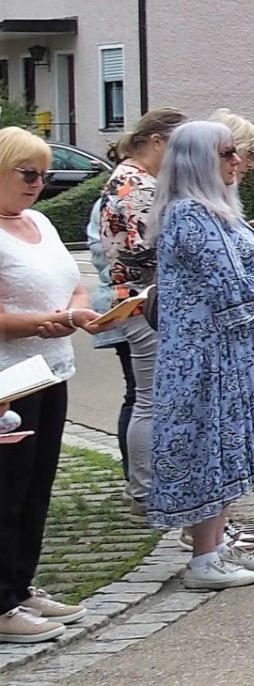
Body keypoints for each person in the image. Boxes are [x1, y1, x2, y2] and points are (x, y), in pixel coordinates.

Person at [145, 120, 254, 586]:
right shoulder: (190, 214)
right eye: (226, 153)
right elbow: (228, 283)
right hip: (203, 358)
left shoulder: (220, 210)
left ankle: (220, 543)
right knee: (208, 448)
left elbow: (252, 265)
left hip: (233, 352)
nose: (236, 162)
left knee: (229, 448)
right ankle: (204, 558)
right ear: (197, 161)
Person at [0, 128, 95, 637]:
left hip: (51, 369)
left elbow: (75, 283)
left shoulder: (37, 220)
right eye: (28, 173)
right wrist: (40, 321)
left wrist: (76, 311)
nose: (38, 184)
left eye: (44, 175)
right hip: (7, 379)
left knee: (37, 487)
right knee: (6, 490)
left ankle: (20, 585)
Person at [92, 109, 184, 514]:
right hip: (142, 301)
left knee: (153, 397)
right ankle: (145, 490)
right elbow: (145, 247)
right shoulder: (134, 183)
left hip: (146, 299)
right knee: (150, 400)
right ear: (157, 141)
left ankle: (151, 486)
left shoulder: (141, 180)